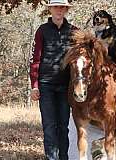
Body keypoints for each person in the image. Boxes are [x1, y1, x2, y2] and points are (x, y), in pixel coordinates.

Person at [29, 0, 77, 159]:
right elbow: (35, 59)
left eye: (62, 7)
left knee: (64, 127)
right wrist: (34, 85)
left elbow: (84, 55)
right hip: (46, 86)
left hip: (66, 87)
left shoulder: (74, 31)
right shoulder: (42, 30)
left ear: (66, 10)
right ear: (50, 9)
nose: (59, 10)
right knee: (49, 127)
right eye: (56, 6)